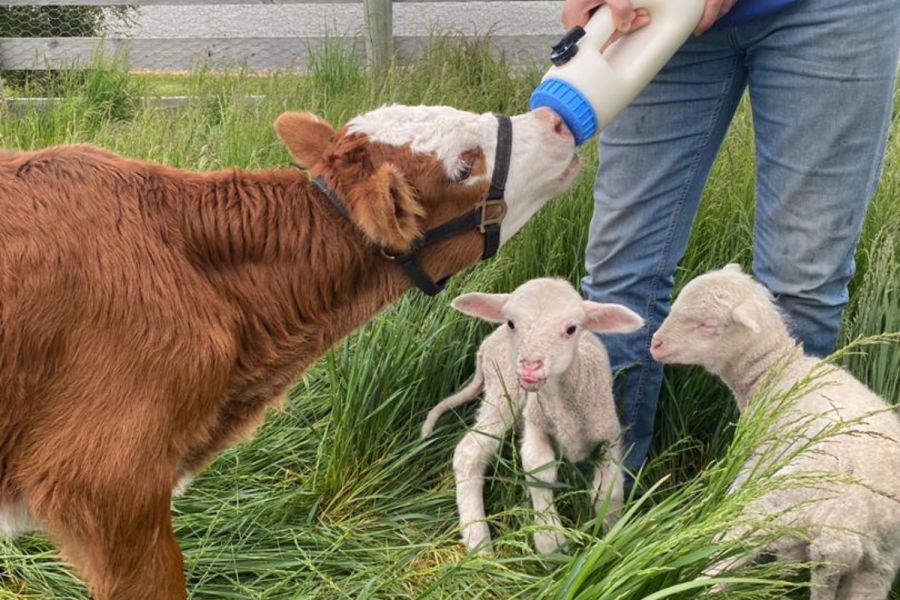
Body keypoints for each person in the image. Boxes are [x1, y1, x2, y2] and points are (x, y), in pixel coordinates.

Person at [563, 0, 900, 482]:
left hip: (832, 14)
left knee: (802, 289)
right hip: (656, 10)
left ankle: (782, 506)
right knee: (620, 277)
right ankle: (598, 503)